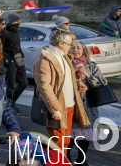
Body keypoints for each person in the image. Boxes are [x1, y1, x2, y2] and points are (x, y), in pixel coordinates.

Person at [32, 29, 90, 158]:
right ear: (60, 43)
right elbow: (44, 87)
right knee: (58, 142)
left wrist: (77, 83)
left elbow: (64, 78)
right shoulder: (45, 58)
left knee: (65, 141)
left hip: (70, 105)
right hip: (58, 107)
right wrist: (55, 109)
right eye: (69, 44)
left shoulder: (64, 56)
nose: (71, 47)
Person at [68, 40, 107, 165]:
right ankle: (66, 156)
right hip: (72, 104)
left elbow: (103, 83)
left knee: (86, 134)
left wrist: (87, 74)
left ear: (84, 50)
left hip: (88, 106)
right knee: (71, 134)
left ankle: (81, 159)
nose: (76, 50)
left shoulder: (91, 66)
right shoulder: (66, 64)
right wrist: (73, 71)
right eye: (73, 48)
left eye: (78, 48)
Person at [0, 12, 28, 116]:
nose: (18, 23)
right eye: (16, 21)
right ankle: (9, 105)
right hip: (10, 61)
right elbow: (1, 48)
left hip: (19, 59)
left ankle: (13, 100)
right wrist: (8, 59)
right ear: (11, 21)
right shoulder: (4, 32)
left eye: (19, 21)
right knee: (11, 85)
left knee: (24, 82)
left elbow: (18, 45)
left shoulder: (16, 31)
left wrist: (21, 54)